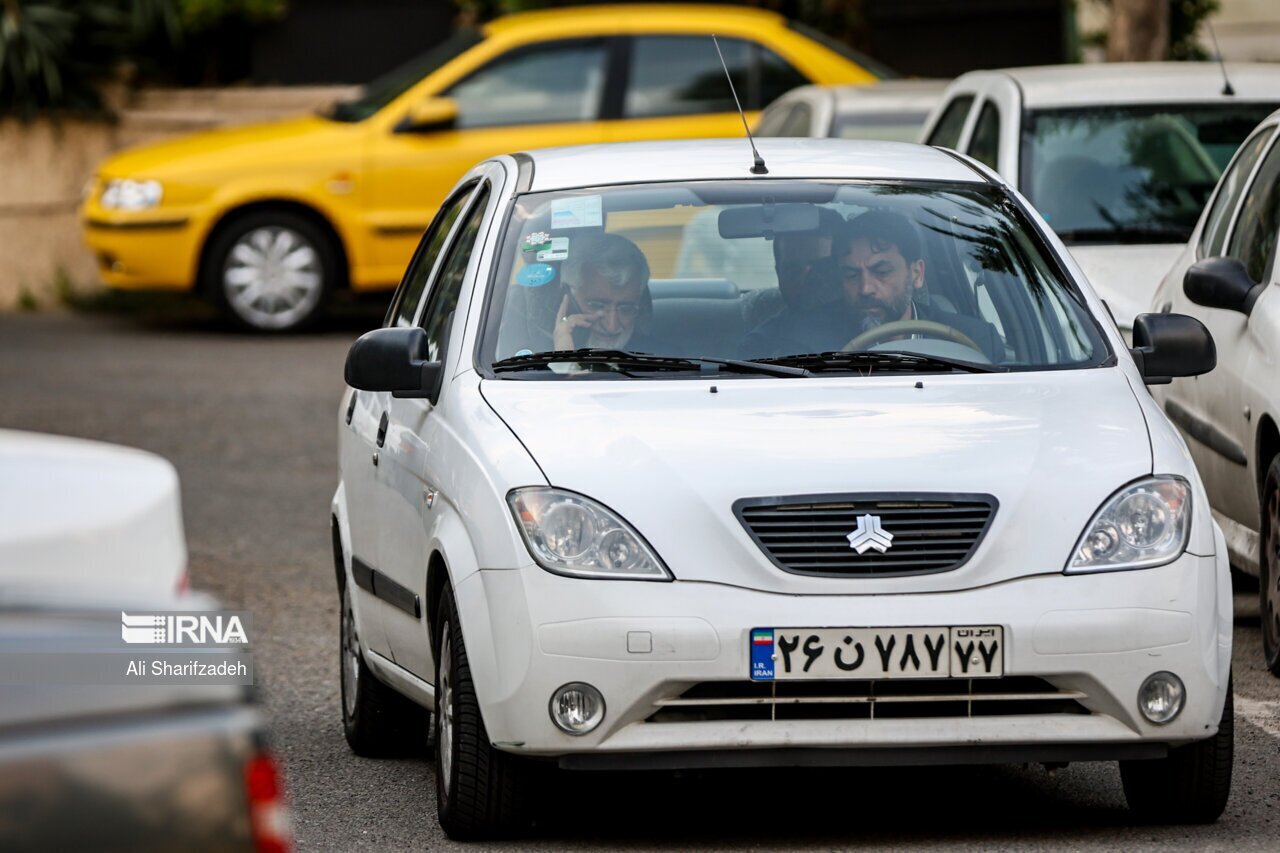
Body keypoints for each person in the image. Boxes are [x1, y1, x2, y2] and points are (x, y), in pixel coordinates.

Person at [834, 209, 1004, 362]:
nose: (865, 288)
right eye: (851, 275)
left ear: (917, 273)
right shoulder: (819, 342)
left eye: (882, 272)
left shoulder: (975, 341)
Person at [737, 207, 846, 358]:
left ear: (846, 267)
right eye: (793, 270)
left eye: (821, 267)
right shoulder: (760, 348)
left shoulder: (873, 323)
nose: (806, 280)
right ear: (778, 273)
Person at [551, 233, 653, 352]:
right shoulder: (536, 351)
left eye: (626, 309)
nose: (611, 326)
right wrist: (562, 354)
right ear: (568, 300)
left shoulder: (660, 358)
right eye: (597, 306)